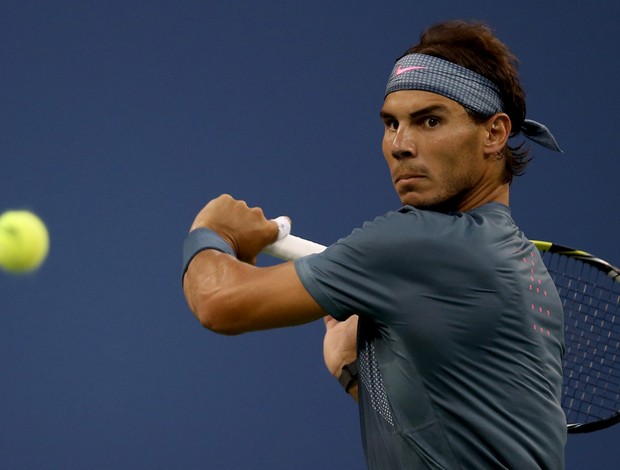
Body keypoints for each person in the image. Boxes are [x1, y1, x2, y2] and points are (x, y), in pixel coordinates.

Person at [182, 20, 567, 469]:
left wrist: (212, 230)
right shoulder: (525, 272)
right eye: (391, 124)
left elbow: (218, 303)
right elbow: (451, 434)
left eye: (429, 121)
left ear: (494, 133)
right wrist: (355, 372)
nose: (401, 145)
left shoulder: (422, 241)